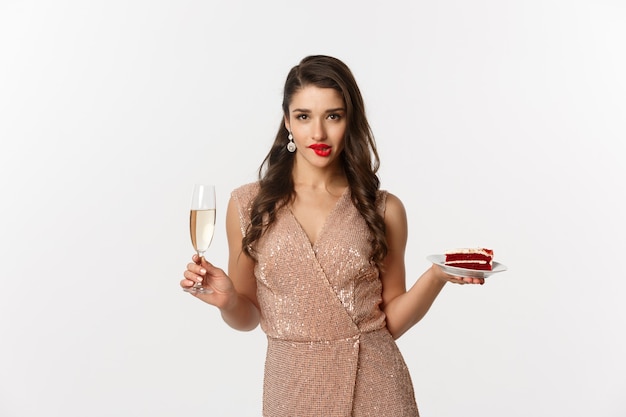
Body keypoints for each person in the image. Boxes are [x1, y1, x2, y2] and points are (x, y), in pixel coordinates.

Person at [181, 55, 484, 416]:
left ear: (349, 120)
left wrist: (436, 277)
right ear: (287, 122)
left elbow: (391, 321)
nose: (318, 133)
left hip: (375, 387)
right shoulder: (249, 204)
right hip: (290, 390)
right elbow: (247, 317)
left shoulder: (383, 208)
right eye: (304, 116)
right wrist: (229, 300)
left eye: (333, 116)